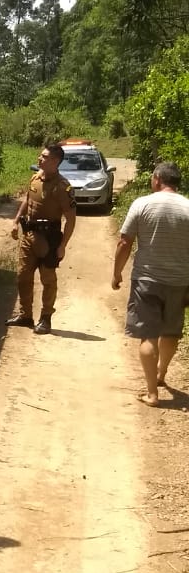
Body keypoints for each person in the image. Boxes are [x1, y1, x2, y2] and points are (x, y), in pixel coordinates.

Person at [111, 160, 189, 406]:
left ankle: (152, 393)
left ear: (157, 179)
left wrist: (116, 273)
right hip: (180, 281)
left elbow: (125, 242)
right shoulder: (188, 207)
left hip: (147, 279)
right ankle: (162, 373)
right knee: (171, 331)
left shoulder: (142, 204)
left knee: (148, 336)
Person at [6, 143, 77, 335]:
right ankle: (25, 315)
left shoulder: (62, 187)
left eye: (44, 157)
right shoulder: (35, 178)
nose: (39, 158)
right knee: (22, 276)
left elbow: (71, 218)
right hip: (29, 236)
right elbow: (27, 201)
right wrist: (15, 222)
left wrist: (63, 246)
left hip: (49, 239)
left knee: (48, 279)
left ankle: (45, 318)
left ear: (55, 161)